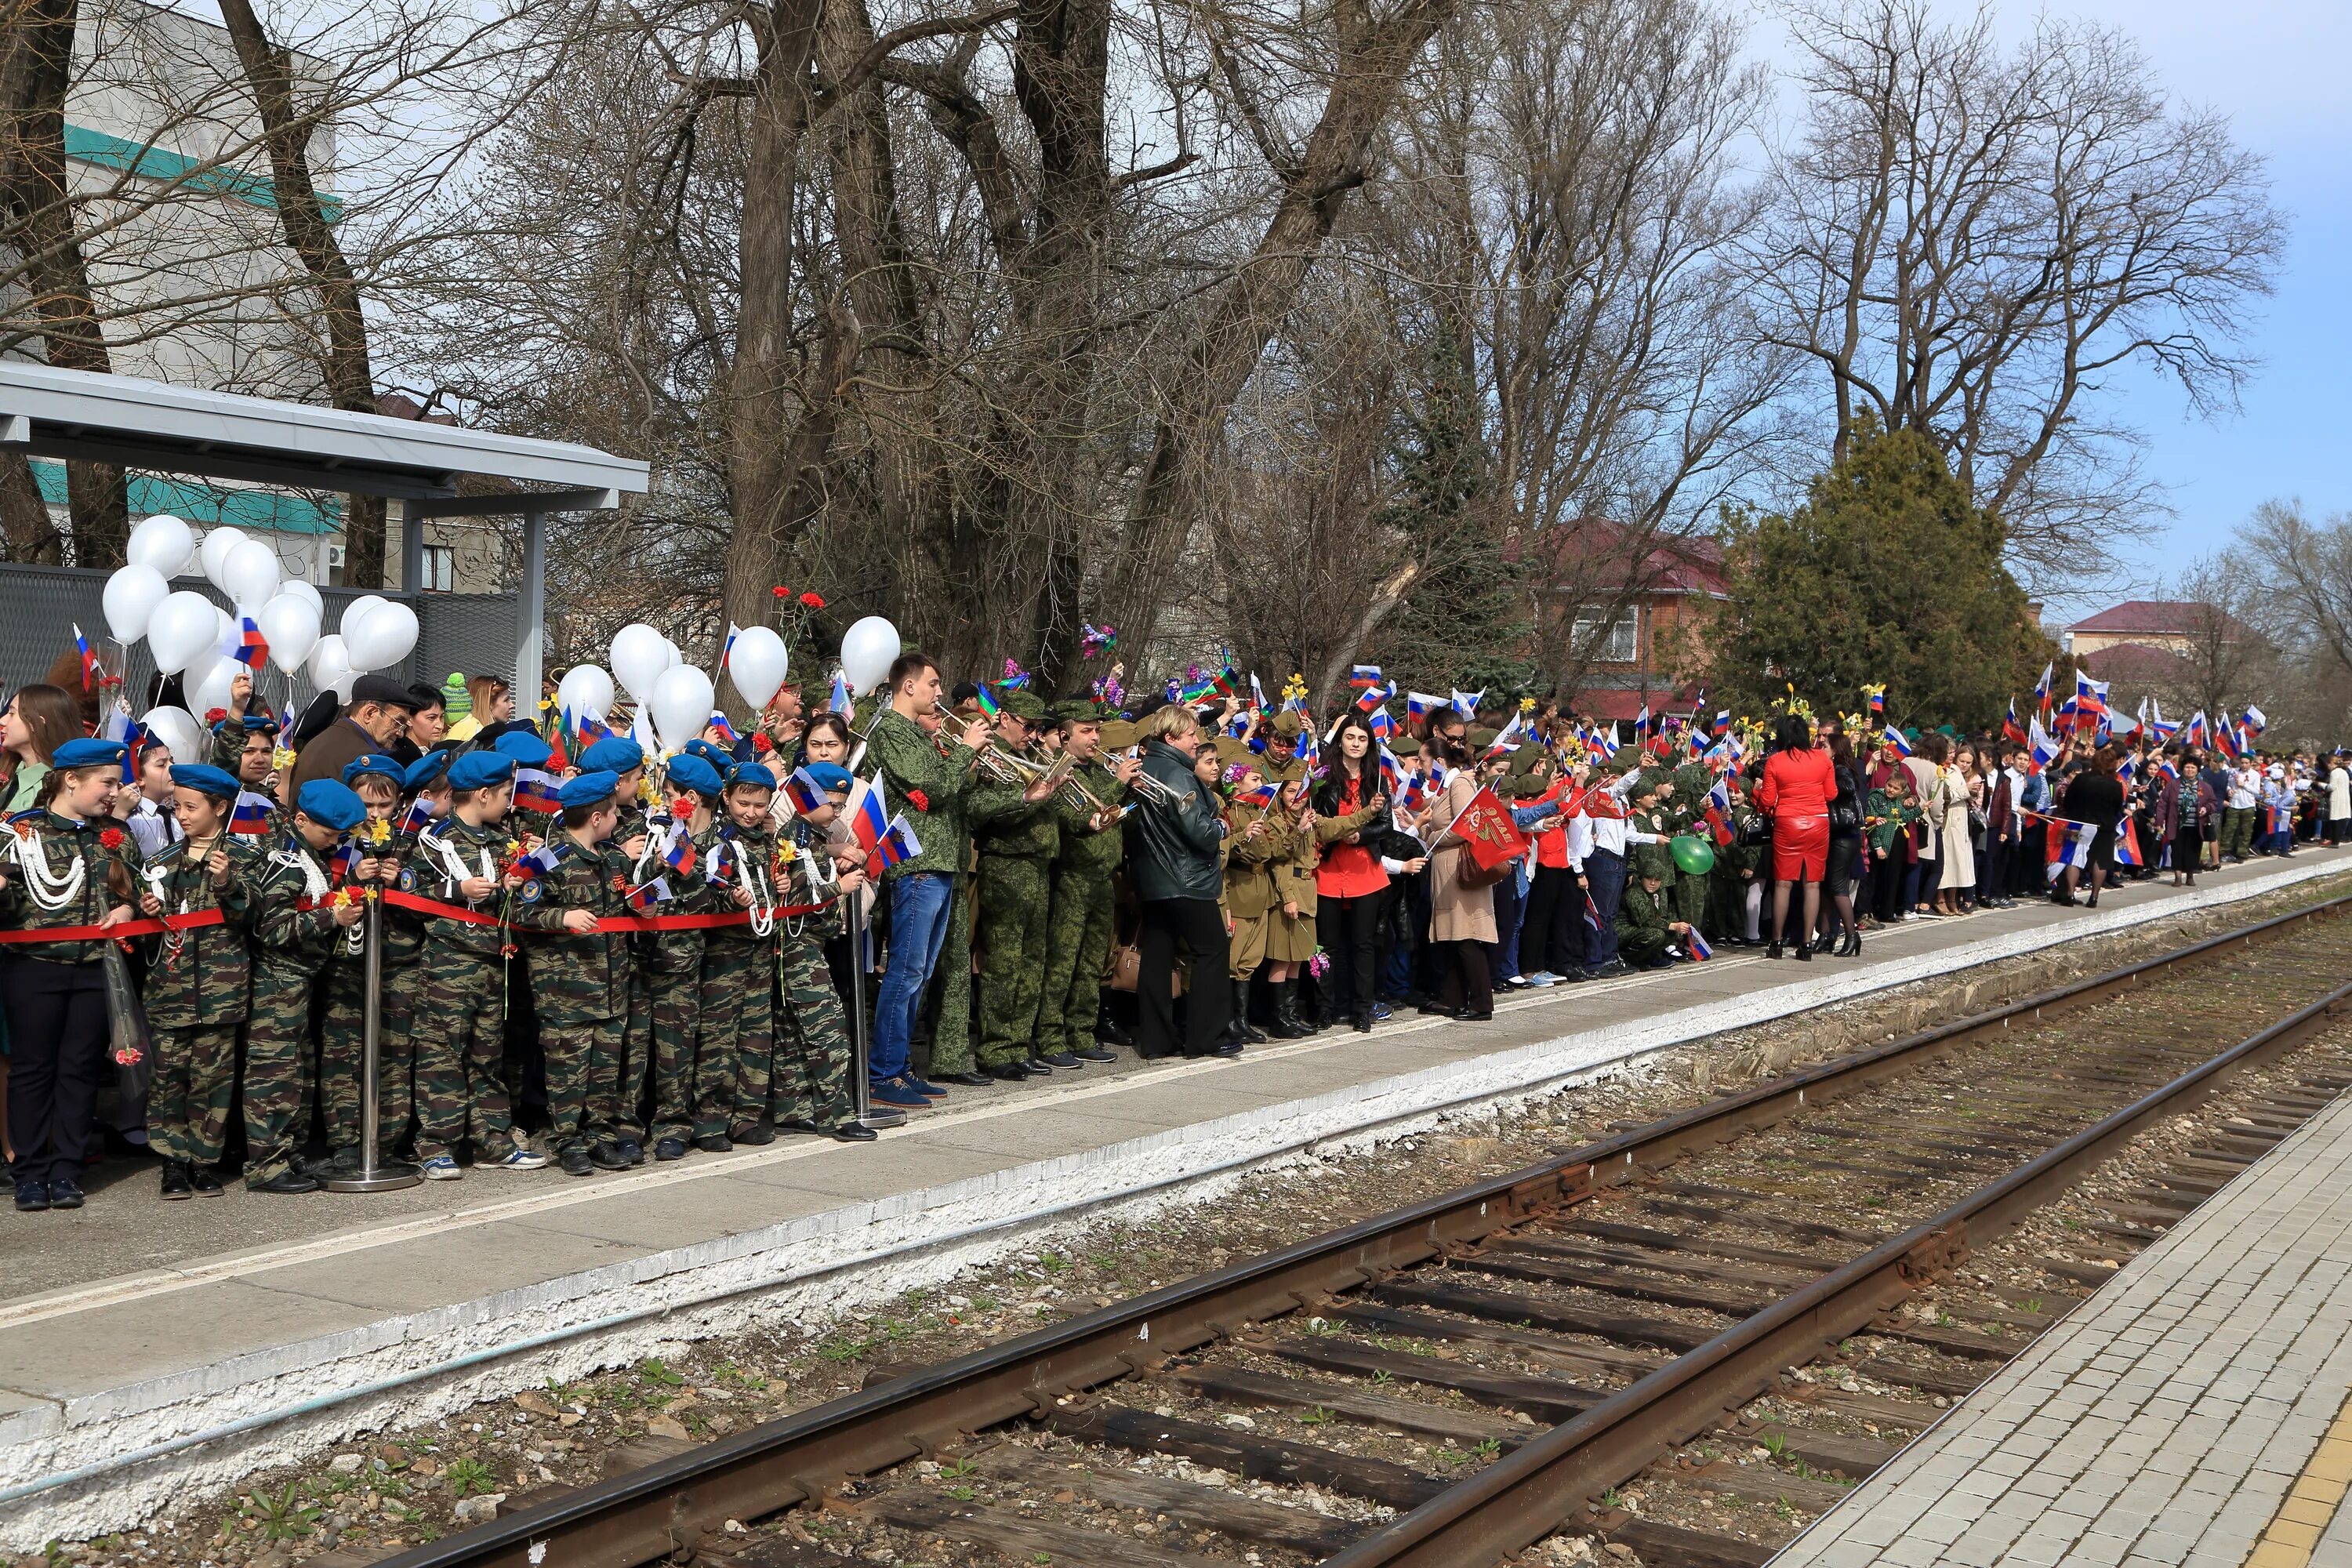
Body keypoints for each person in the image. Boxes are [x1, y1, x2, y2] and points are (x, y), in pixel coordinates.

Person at [1, 737, 139, 1211]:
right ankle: (30, 1172)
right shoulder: (20, 835)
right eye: (106, 782)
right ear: (71, 779)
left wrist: (128, 908)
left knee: (79, 1069)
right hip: (34, 969)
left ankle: (66, 1171)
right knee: (33, 1069)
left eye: (116, 783)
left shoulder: (116, 835)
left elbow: (139, 889)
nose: (113, 792)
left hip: (94, 969)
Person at [404, 750, 547, 1177]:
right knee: (441, 1053)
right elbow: (411, 897)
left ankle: (492, 1139)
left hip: (494, 963)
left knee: (488, 1053)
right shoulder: (435, 841)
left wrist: (519, 879)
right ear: (482, 794)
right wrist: (457, 889)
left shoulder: (504, 840)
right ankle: (437, 1144)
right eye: (506, 793)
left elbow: (511, 900)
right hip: (450, 964)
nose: (511, 802)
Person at [866, 652, 988, 1108]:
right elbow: (931, 786)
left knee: (919, 974)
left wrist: (966, 762)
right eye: (934, 684)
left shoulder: (915, 733)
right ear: (908, 686)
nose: (940, 693)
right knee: (904, 972)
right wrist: (966, 749)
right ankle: (882, 1074)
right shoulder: (891, 730)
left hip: (939, 863)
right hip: (914, 865)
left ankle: (898, 1069)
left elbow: (946, 787)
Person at [241, 779, 371, 1192]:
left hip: (301, 980)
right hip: (278, 981)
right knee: (273, 1073)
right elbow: (272, 929)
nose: (335, 843)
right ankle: (266, 1165)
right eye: (329, 834)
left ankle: (289, 1154)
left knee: (298, 1069)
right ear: (300, 820)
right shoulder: (284, 861)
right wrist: (334, 919)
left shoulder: (308, 854)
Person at [968, 688, 1068, 1080]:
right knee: (1004, 961)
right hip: (1006, 866)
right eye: (1028, 727)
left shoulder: (1031, 756)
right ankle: (994, 1048)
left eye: (1039, 728)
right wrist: (1024, 798)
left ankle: (1017, 1042)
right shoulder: (988, 755)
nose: (1033, 734)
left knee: (1031, 961)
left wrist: (1055, 787)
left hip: (1039, 867)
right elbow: (977, 810)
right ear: (1005, 718)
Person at [1124, 703, 1234, 1059]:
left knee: (1158, 955)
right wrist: (1222, 827)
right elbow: (1201, 832)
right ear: (1171, 738)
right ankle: (1206, 1038)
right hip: (1185, 879)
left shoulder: (1146, 767)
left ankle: (1156, 1041)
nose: (1196, 741)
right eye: (1190, 735)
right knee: (1212, 949)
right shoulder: (1178, 774)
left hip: (1153, 878)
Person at [1034, 700, 1132, 1066]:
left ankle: (1081, 1032)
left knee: (1093, 961)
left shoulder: (1101, 770)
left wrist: (1128, 788)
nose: (1095, 737)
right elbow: (1077, 818)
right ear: (1065, 735)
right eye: (1086, 731)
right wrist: (1118, 785)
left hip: (1103, 880)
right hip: (1071, 879)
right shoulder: (1060, 771)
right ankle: (1050, 1036)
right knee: (1062, 961)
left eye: (1097, 731)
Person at [1311, 712, 1392, 1033]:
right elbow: (1315, 817)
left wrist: (1362, 835)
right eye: (1350, 737)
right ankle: (1324, 1008)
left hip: (1364, 869)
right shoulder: (1323, 776)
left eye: (1362, 738)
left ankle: (1362, 1009)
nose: (1356, 744)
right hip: (1329, 868)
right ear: (1340, 740)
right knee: (1325, 946)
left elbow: (1385, 825)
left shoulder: (1377, 776)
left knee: (1363, 944)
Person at [1423, 736, 1497, 1018]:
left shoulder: (1459, 784)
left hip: (1461, 871)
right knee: (1454, 936)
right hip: (1448, 870)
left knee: (1466, 936)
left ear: (1440, 762)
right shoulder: (1446, 788)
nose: (1420, 767)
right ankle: (1452, 997)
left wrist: (1431, 835)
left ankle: (1481, 1003)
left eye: (1423, 760)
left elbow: (1469, 824)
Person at [1755, 713, 1834, 960]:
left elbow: (1767, 801)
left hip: (1788, 821)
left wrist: (1756, 796)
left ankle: (1776, 943)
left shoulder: (1775, 761)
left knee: (1783, 883)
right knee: (1812, 884)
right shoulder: (1822, 759)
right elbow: (1831, 793)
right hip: (1818, 822)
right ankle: (1807, 944)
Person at [289, 674, 420, 795]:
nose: (401, 733)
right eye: (397, 722)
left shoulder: (334, 736)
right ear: (370, 713)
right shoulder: (361, 757)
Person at [2056, 744, 2126, 908]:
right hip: (2105, 826)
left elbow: (2069, 800)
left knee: (2075, 858)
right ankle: (2094, 897)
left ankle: (2070, 894)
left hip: (2080, 823)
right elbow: (2118, 807)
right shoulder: (2115, 785)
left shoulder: (2081, 779)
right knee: (2100, 861)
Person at [1, 683, 80, 814]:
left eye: (12, 713)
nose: (2, 720)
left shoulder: (64, 787)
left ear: (35, 722)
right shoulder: (8, 773)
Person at [1820, 731, 1865, 956]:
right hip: (1832, 833)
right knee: (1826, 887)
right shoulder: (1832, 767)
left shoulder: (1840, 769)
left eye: (1825, 746)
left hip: (1845, 834)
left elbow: (1847, 787)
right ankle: (1826, 935)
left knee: (1838, 887)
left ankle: (1851, 935)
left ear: (1836, 750)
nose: (1821, 749)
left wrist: (1827, 778)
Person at [1932, 740, 1976, 916]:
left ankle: (1953, 898)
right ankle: (1940, 898)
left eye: (1952, 752)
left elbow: (1961, 793)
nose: (1952, 756)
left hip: (1961, 820)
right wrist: (1966, 790)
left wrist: (1972, 793)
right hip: (1947, 820)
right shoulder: (1938, 770)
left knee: (1959, 861)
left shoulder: (1955, 770)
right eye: (1950, 753)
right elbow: (1945, 796)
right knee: (1947, 861)